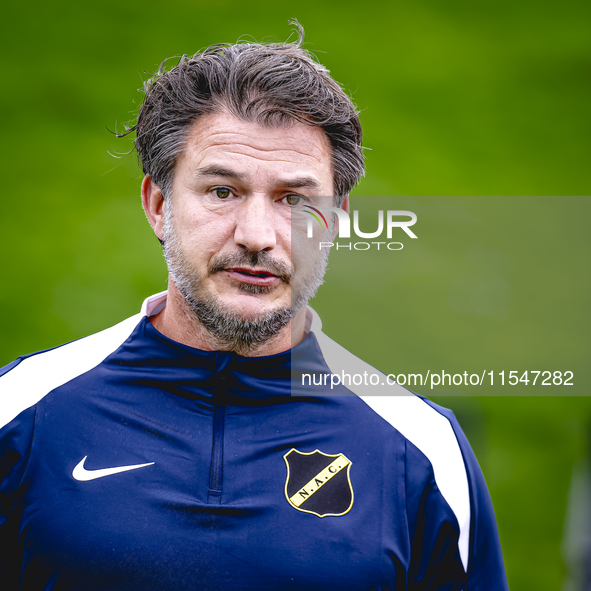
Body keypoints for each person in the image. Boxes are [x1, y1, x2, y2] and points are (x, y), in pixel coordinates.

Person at [0, 25, 508, 590]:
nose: (258, 235)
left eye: (294, 199)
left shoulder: (420, 447)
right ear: (158, 203)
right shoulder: (21, 413)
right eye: (223, 191)